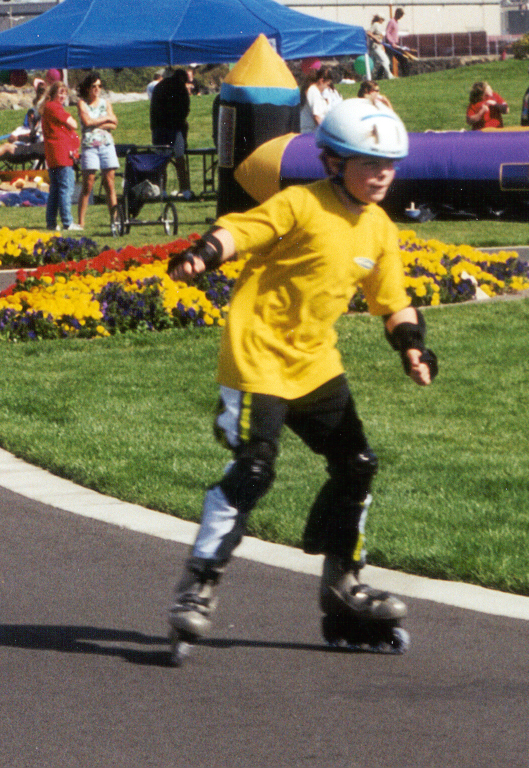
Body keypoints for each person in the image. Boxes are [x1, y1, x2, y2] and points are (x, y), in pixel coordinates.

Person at [163, 98, 435, 658]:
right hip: (257, 355)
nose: (381, 175)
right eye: (368, 163)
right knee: (255, 469)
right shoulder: (301, 205)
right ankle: (199, 584)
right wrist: (203, 254)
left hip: (314, 363)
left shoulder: (379, 228)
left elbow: (394, 301)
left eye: (389, 164)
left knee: (357, 464)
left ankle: (343, 590)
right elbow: (243, 230)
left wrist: (413, 348)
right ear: (335, 162)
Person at [74, 73, 119, 231]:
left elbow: (114, 123)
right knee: (88, 184)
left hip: (106, 145)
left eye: (99, 86)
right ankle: (81, 222)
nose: (97, 89)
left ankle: (114, 220)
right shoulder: (82, 103)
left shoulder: (106, 103)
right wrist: (104, 120)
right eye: (94, 86)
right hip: (90, 146)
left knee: (109, 184)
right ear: (88, 88)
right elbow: (87, 122)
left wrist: (97, 124)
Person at [40, 79, 81, 230]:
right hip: (62, 154)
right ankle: (67, 222)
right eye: (60, 93)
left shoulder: (48, 107)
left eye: (65, 93)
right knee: (65, 188)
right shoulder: (55, 107)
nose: (63, 96)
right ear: (53, 94)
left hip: (53, 155)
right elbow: (74, 123)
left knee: (56, 190)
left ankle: (51, 223)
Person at [149, 67, 194, 198]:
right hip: (174, 129)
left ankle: (162, 191)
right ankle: (185, 190)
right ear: (182, 78)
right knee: (180, 161)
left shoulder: (159, 86)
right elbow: (185, 109)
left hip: (158, 129)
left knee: (161, 162)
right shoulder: (180, 88)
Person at [299, 61, 342, 134]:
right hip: (310, 132)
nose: (327, 87)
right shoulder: (313, 91)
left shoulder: (315, 92)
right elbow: (317, 116)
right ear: (321, 81)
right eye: (327, 84)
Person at [383, 9, 415, 77]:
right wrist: (391, 42)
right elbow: (387, 33)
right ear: (396, 13)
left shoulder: (396, 22)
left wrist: (396, 42)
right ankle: (380, 76)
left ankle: (406, 75)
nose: (401, 16)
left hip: (395, 45)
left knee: (403, 59)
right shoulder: (391, 21)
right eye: (400, 15)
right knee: (388, 61)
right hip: (390, 45)